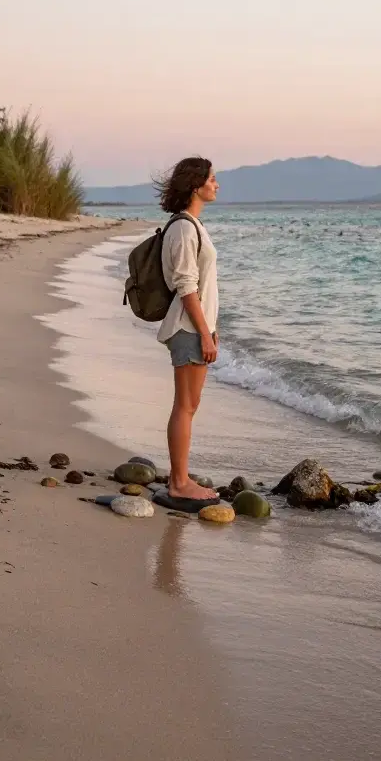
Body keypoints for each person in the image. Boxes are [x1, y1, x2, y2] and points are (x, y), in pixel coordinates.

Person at [155, 157, 220, 506]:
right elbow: (186, 286)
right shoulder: (182, 228)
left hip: (197, 327)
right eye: (212, 179)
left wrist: (212, 328)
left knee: (189, 405)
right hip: (187, 328)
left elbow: (204, 286)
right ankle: (178, 483)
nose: (216, 184)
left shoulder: (194, 224)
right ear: (196, 185)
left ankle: (181, 476)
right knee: (184, 406)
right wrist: (204, 333)